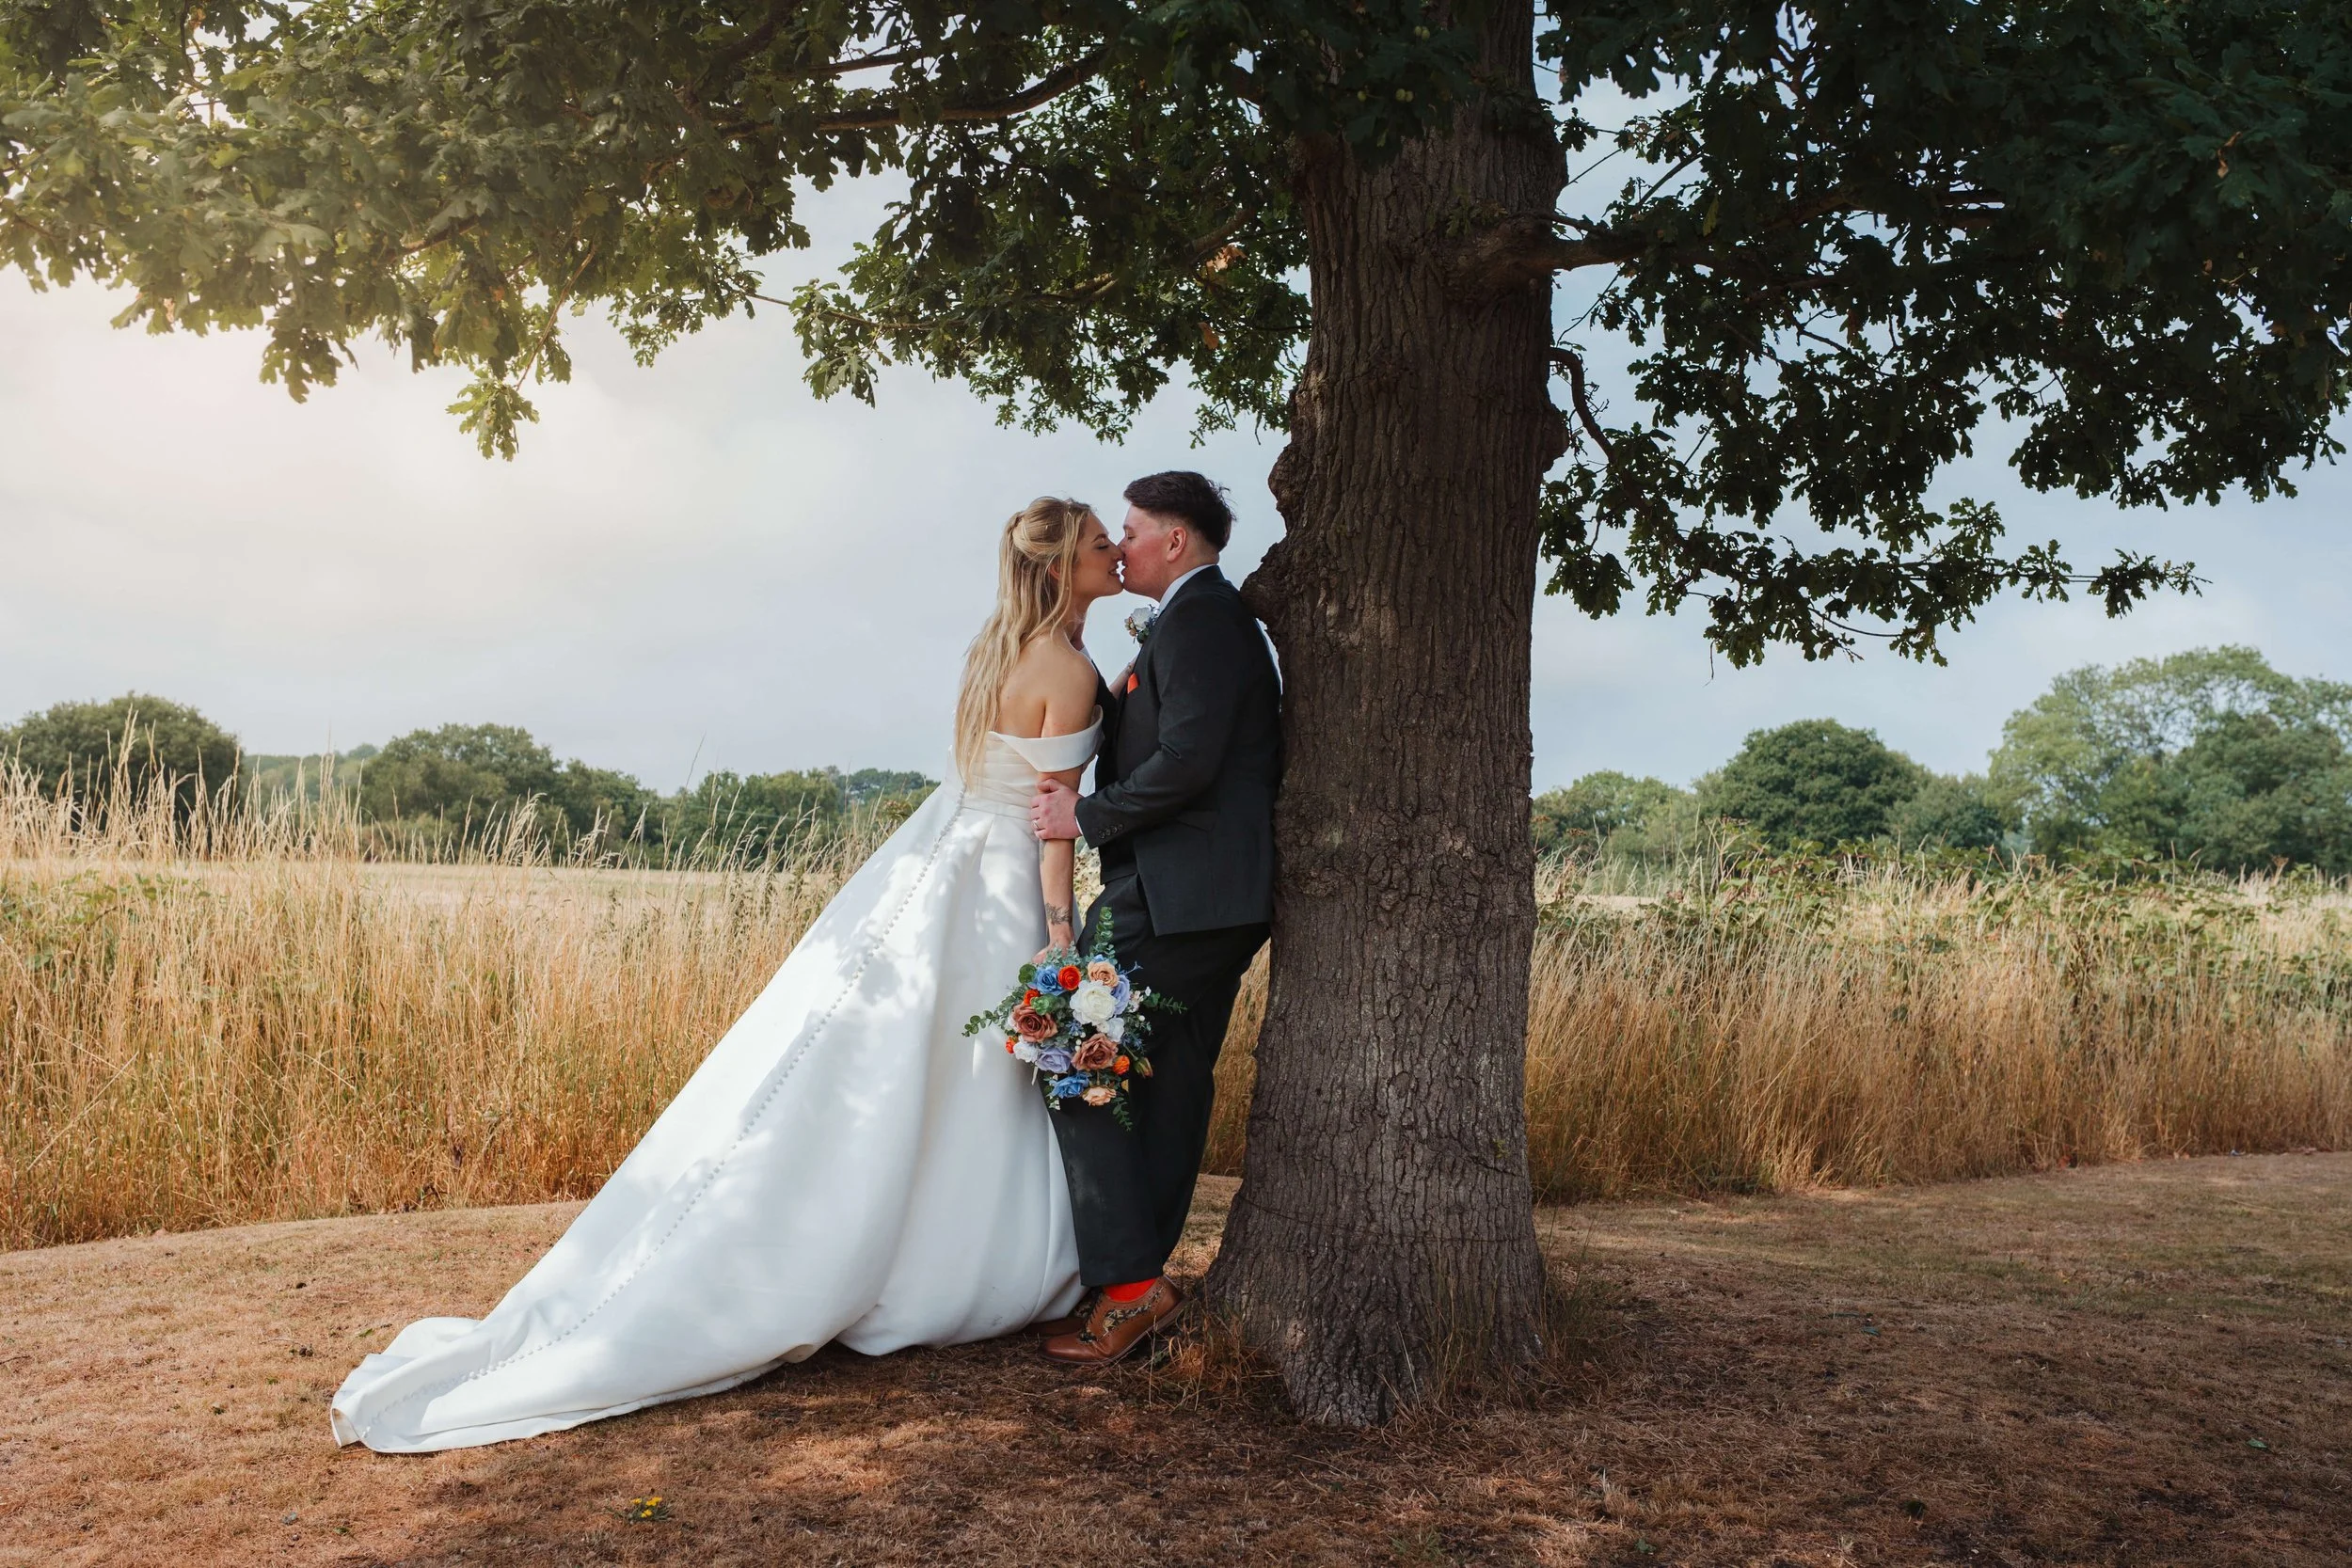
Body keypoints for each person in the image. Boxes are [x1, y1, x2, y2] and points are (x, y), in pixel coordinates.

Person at [330, 497, 1124, 1452]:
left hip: (935, 858)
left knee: (908, 1063)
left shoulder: (990, 653)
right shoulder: (1070, 670)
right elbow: (1051, 821)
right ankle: (944, 1260)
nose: (1111, 552)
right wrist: (1059, 941)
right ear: (1059, 568)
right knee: (966, 1078)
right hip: (997, 878)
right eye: (1096, 544)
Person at [1027, 470, 1281, 1366]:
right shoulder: (1193, 618)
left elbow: (1189, 759)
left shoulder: (1205, 618)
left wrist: (1081, 818)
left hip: (1178, 899)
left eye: (1130, 531)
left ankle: (1132, 1285)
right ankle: (1135, 1288)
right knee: (1167, 1082)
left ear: (1175, 540)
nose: (1120, 546)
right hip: (1203, 897)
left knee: (1068, 1050)